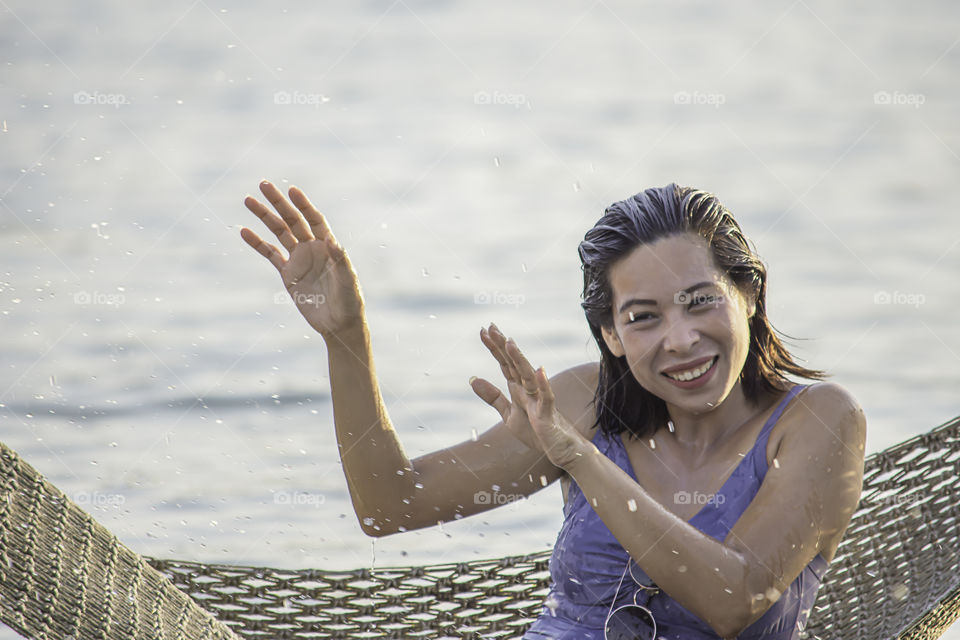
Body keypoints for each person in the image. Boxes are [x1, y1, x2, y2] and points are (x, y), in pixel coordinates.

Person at [240, 180, 866, 640]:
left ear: (749, 296)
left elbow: (734, 598)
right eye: (643, 317)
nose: (679, 339)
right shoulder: (584, 402)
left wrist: (578, 458)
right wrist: (345, 338)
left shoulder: (817, 422)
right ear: (613, 336)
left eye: (700, 302)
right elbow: (388, 505)